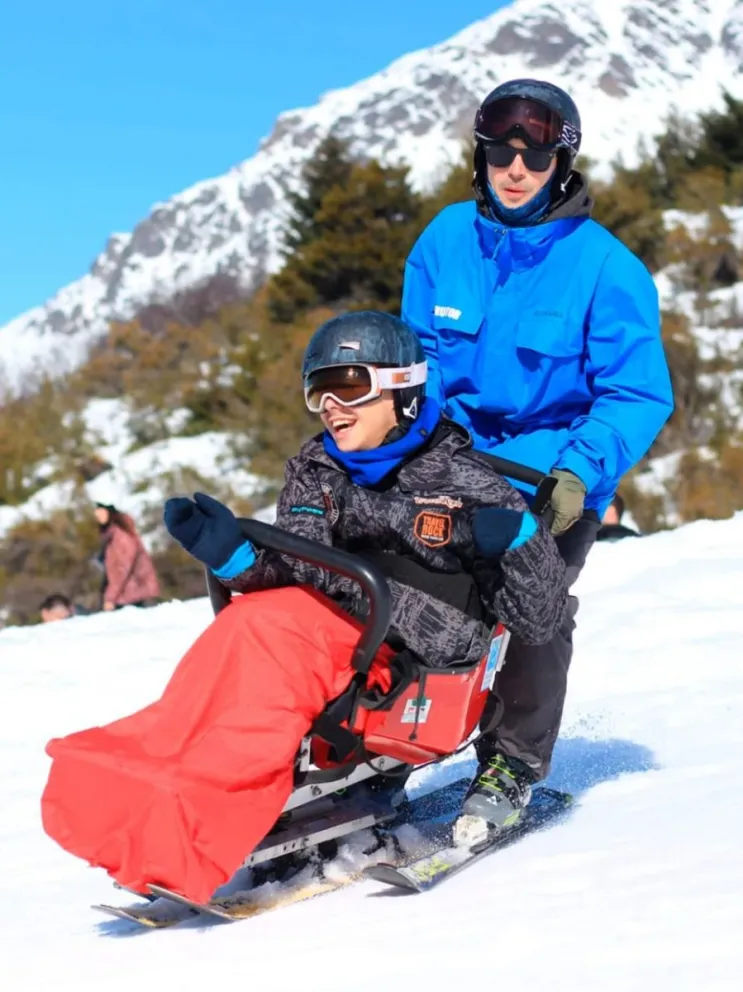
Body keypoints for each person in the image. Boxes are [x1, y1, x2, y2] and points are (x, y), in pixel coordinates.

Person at [41, 311, 568, 904]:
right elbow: (305, 570)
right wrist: (238, 561)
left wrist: (519, 542)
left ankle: (511, 767)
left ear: (401, 387)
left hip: (422, 657)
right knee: (242, 638)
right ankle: (154, 804)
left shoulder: (471, 485)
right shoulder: (314, 470)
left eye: (350, 386)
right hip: (326, 633)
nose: (332, 407)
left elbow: (537, 621)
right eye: (320, 391)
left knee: (265, 648)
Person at [401, 78, 674, 818]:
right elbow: (417, 366)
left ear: (561, 161)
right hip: (452, 460)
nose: (514, 169)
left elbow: (637, 394)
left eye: (533, 155)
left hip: (548, 476)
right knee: (393, 584)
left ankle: (510, 766)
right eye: (499, 152)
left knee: (529, 598)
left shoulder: (604, 267)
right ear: (480, 157)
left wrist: (576, 472)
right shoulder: (444, 241)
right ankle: (376, 750)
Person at [93, 502, 160, 610]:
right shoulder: (114, 534)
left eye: (101, 510)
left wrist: (110, 598)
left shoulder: (120, 536)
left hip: (134, 596)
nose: (97, 515)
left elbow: (121, 569)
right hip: (130, 595)